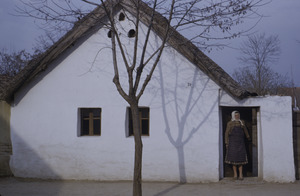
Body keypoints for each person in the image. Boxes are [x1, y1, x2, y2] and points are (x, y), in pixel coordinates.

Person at [225, 111, 250, 180]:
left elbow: (245, 130)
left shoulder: (242, 122)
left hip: (240, 143)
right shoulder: (230, 123)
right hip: (232, 143)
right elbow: (226, 133)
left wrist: (248, 137)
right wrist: (226, 142)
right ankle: (235, 175)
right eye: (236, 115)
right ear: (233, 116)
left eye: (238, 115)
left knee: (241, 159)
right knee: (234, 160)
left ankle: (241, 175)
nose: (237, 116)